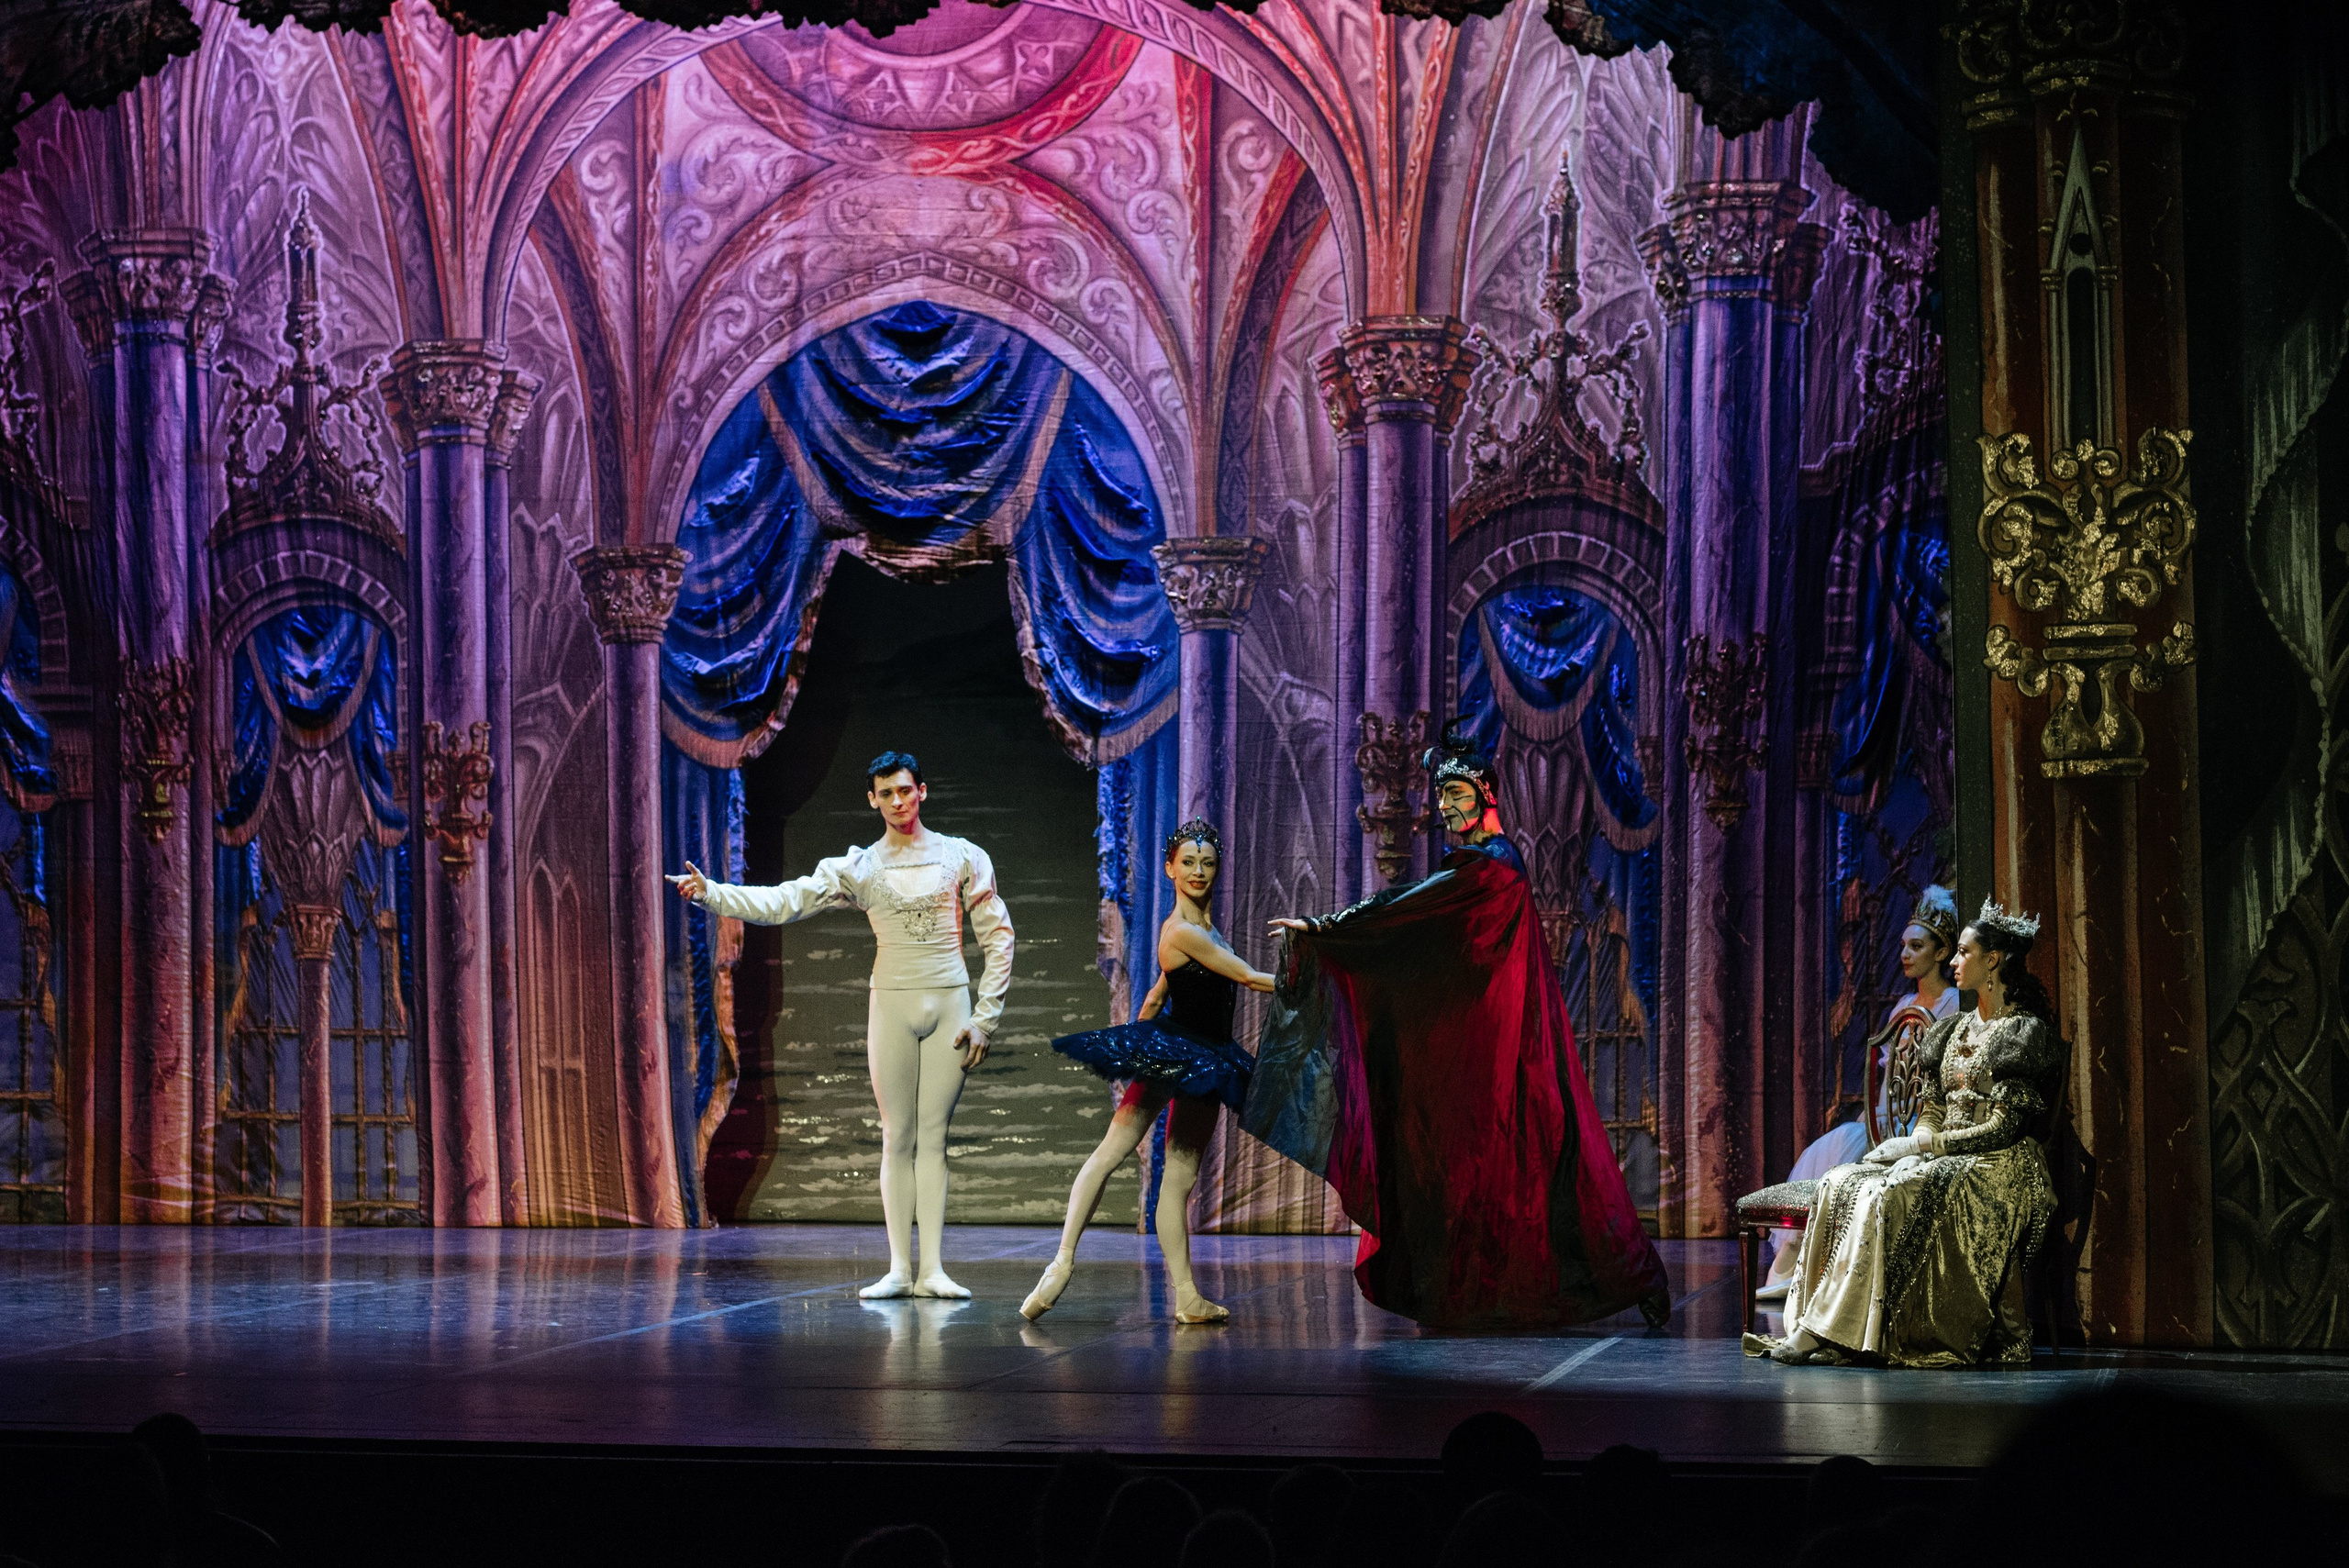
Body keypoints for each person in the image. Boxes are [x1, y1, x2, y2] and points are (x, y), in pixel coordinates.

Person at [1244, 725, 1671, 1330]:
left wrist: (1329, 926)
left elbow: (1409, 909)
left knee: (1536, 1163)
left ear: (1486, 793)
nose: (1445, 808)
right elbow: (1432, 934)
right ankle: (1471, 1288)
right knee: (1486, 1161)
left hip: (1505, 1045)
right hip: (1486, 1040)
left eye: (1455, 793)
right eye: (1441, 797)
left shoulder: (1491, 868)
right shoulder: (1483, 866)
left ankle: (1630, 1276)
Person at [671, 750, 1012, 1299]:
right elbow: (785, 901)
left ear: (922, 791)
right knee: (898, 1135)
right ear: (872, 799)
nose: (898, 801)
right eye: (887, 793)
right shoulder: (859, 867)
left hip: (950, 1003)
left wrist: (985, 1018)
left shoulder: (964, 857)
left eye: (906, 790)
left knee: (934, 1138)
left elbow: (998, 937)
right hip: (892, 1007)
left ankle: (934, 1270)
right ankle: (901, 1269)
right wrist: (713, 894)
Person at [1745, 900, 2060, 1368]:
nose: (1954, 961)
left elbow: (2003, 1129)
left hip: (1996, 1163)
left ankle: (1831, 1332)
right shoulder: (1953, 1030)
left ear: (1992, 961)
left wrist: (1922, 1145)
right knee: (1841, 1181)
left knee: (1889, 1193)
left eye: (1964, 953)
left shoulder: (2023, 1033)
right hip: (1944, 1153)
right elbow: (1933, 1107)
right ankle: (1830, 1325)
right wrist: (1919, 1141)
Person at [1020, 818, 1273, 1324]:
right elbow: (1246, 976)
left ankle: (1185, 1296)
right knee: (1112, 1151)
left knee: (1177, 1182)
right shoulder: (1182, 930)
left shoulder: (1201, 931)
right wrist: (1312, 973)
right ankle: (1062, 1261)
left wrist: (1140, 1035)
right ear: (1169, 869)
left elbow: (1159, 991)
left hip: (1203, 1060)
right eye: (1189, 863)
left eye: (1207, 863)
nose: (1199, 871)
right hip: (1180, 1054)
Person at [1756, 885, 1962, 1302]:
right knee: (1829, 1149)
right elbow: (1888, 1079)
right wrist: (1876, 1119)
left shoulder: (1952, 1004)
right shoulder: (1902, 1003)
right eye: (1903, 945)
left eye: (1916, 946)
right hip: (1888, 1117)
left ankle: (1819, 1271)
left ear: (1941, 953)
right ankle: (1796, 1262)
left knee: (1845, 1162)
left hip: (1923, 1123)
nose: (1905, 954)